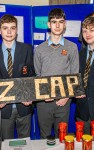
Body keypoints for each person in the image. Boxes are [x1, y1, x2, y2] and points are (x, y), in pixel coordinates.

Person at [0, 14, 35, 140]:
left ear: (16, 30)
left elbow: (32, 76)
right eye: (5, 28)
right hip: (3, 108)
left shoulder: (27, 49)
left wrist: (30, 95)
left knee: (25, 143)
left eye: (12, 28)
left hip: (24, 107)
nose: (9, 32)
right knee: (5, 143)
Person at [34, 8, 79, 139]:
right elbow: (37, 75)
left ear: (65, 24)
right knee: (44, 137)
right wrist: (43, 95)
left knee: (62, 137)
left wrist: (67, 97)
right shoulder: (39, 49)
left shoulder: (72, 47)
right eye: (54, 22)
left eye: (61, 22)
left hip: (63, 102)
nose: (57, 25)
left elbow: (74, 76)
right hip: (44, 103)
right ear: (49, 24)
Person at [76, 16, 94, 134]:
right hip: (82, 111)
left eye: (92, 30)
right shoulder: (80, 54)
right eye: (84, 31)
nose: (87, 34)